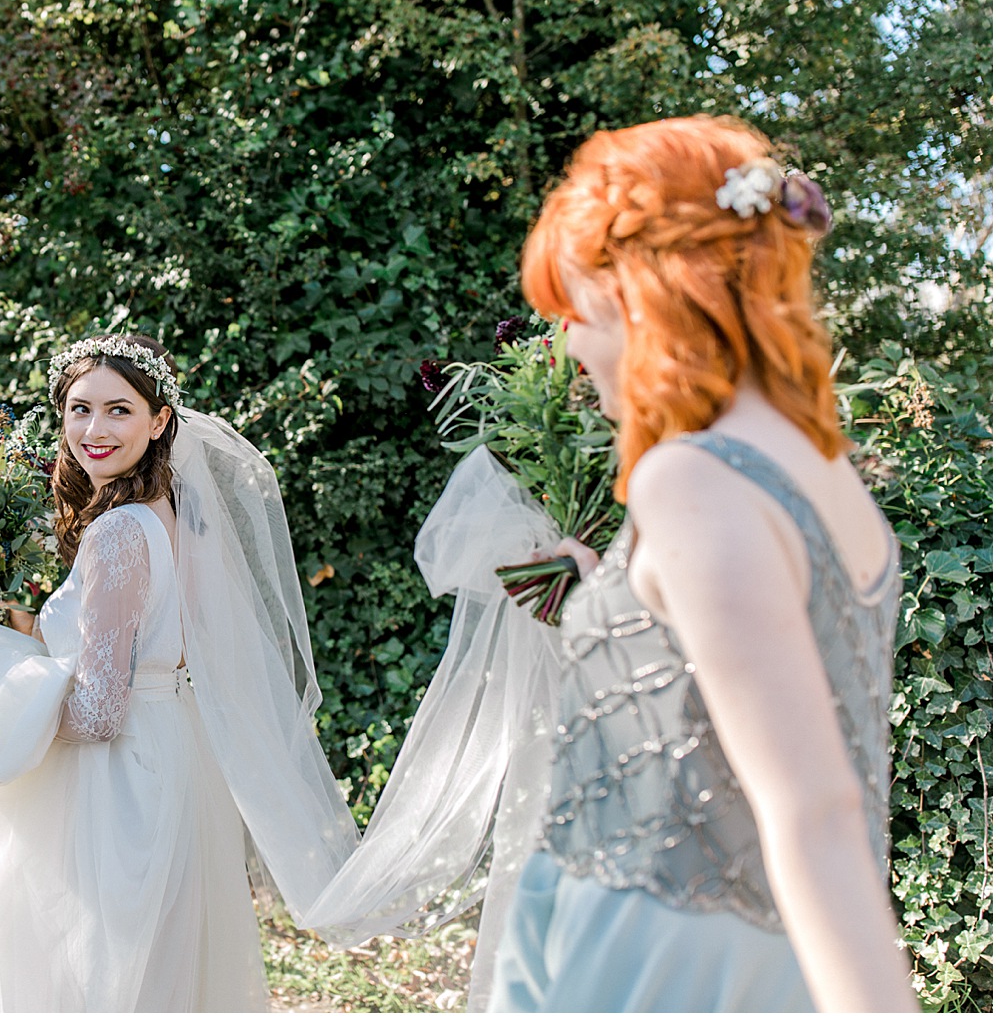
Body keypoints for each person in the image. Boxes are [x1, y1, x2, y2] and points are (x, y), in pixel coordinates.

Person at [300, 116, 917, 1012]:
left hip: (660, 957)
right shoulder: (823, 469)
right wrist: (609, 590)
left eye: (576, 312)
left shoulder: (692, 477)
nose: (573, 347)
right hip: (739, 946)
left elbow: (814, 810)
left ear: (645, 295)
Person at [0, 334, 357, 1012]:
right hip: (169, 755)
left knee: (85, 980)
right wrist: (19, 622)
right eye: (79, 409)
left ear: (159, 419)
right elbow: (150, 648)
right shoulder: (177, 515)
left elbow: (100, 709)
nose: (94, 430)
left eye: (118, 410)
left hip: (111, 786)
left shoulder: (117, 533)